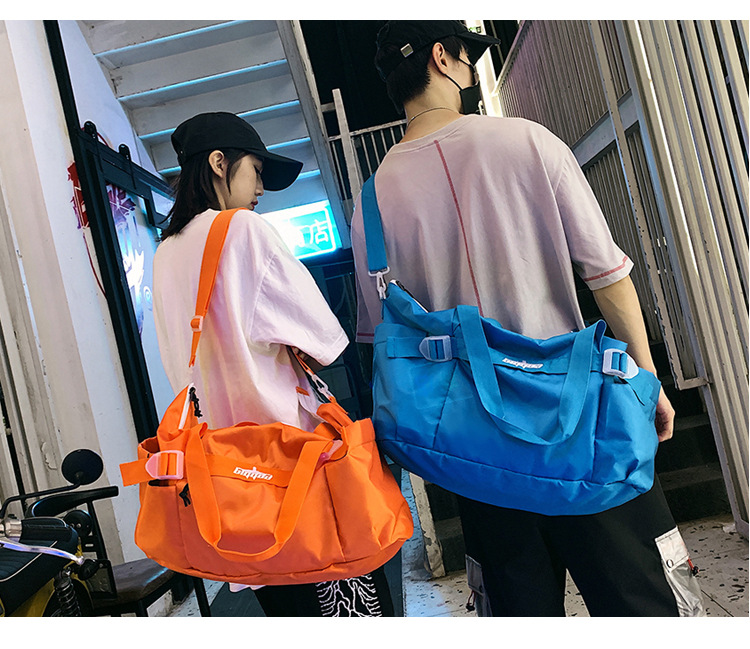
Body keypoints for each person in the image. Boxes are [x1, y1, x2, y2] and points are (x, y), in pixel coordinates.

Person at [350, 21, 704, 617]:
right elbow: (607, 275)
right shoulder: (528, 142)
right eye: (466, 58)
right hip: (582, 427)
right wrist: (646, 379)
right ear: (442, 58)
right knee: (640, 606)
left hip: (473, 454)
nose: (469, 70)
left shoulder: (371, 202)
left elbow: (379, 335)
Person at [152, 111, 394, 617]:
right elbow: (324, 339)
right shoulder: (242, 229)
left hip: (229, 488)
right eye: (256, 171)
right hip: (293, 472)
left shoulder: (166, 252)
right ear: (219, 163)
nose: (261, 188)